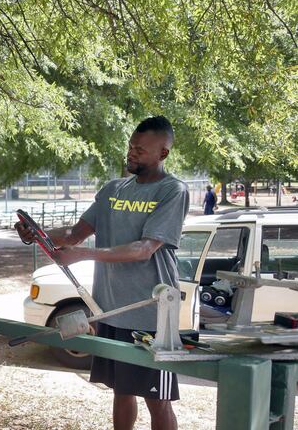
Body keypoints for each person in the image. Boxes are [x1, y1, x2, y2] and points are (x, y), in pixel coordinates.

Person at [17, 116, 189, 430]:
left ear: (163, 153)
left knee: (157, 399)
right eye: (130, 146)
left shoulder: (172, 190)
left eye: (140, 149)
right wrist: (37, 233)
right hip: (109, 311)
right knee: (121, 391)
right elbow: (72, 235)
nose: (132, 153)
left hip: (151, 315)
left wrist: (82, 255)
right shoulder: (113, 189)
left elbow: (144, 248)